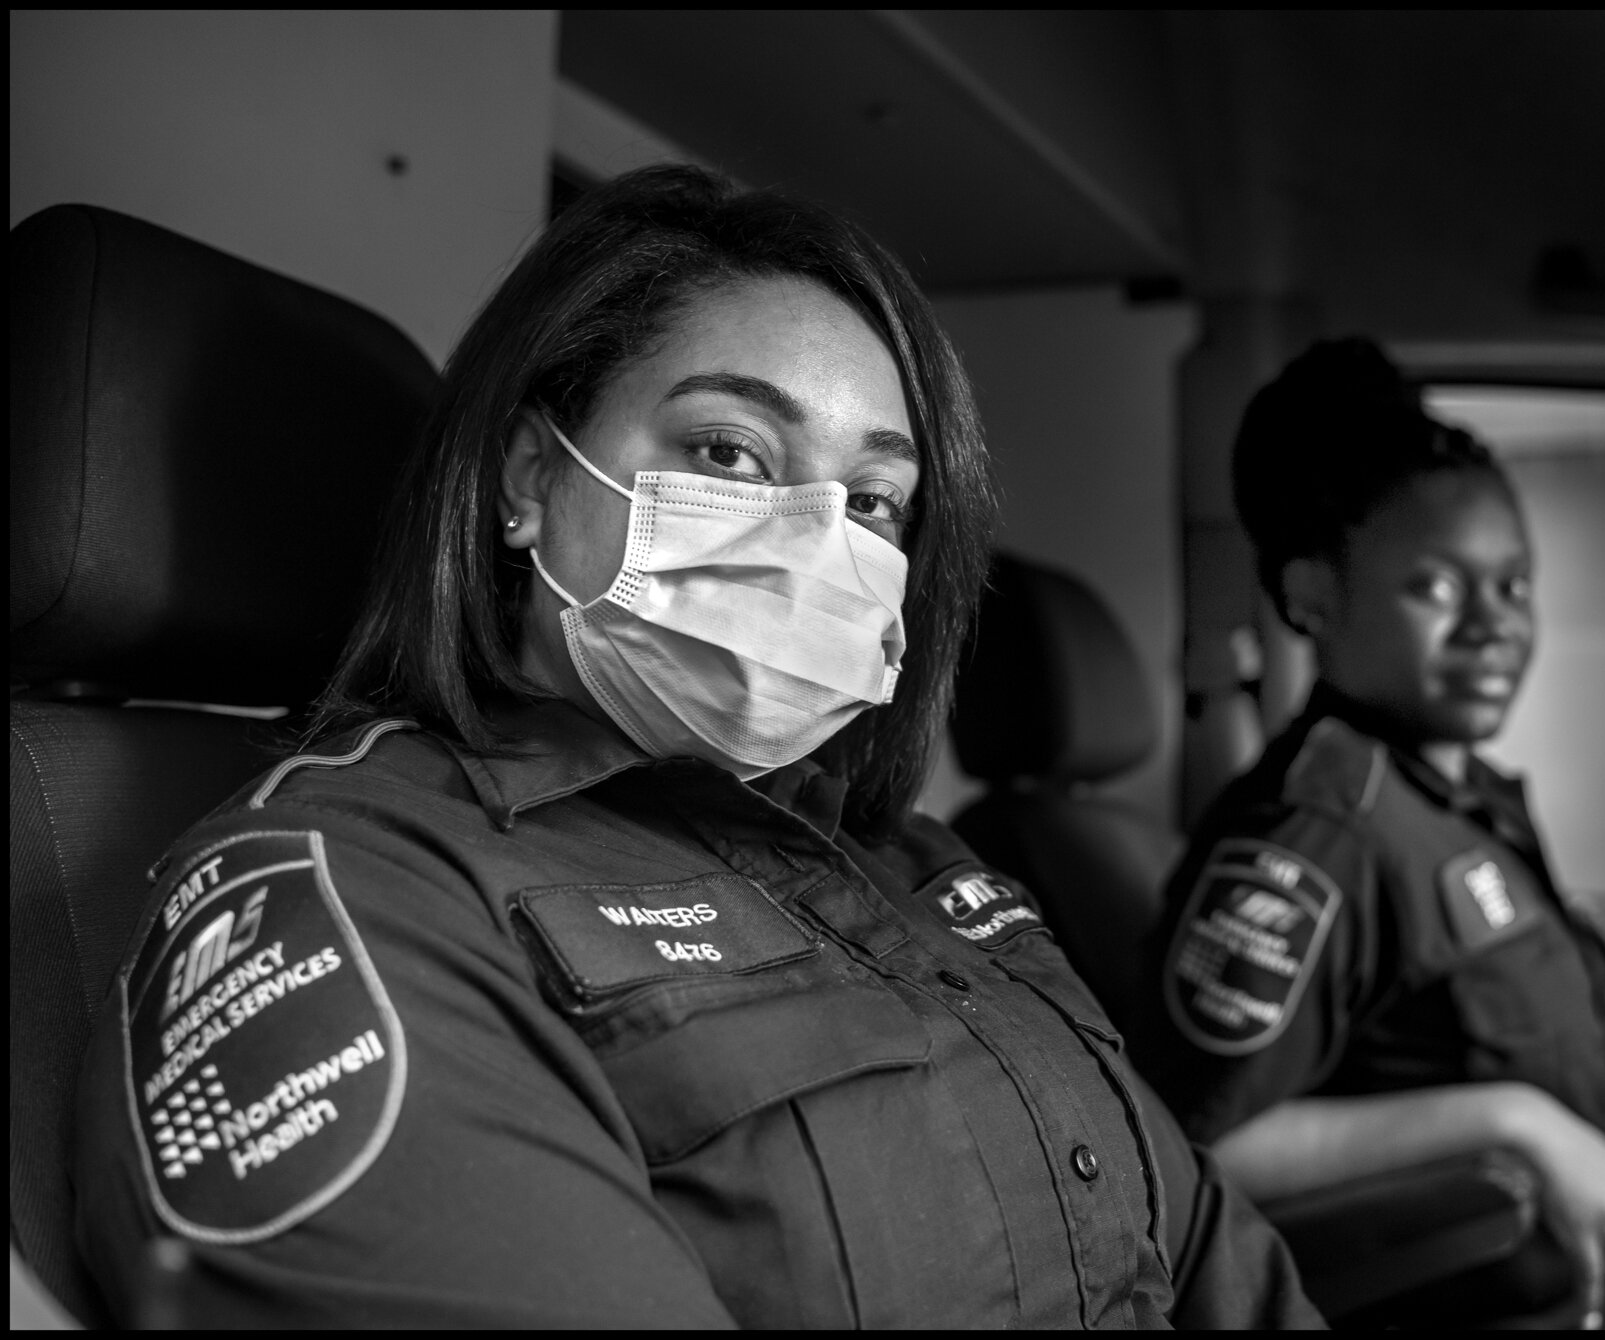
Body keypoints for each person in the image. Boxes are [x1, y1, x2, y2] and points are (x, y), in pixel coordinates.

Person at [71, 165, 1322, 1329]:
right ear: (526, 476)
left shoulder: (916, 861)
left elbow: (1216, 1253)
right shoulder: (348, 891)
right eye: (729, 451)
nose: (820, 542)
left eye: (874, 499)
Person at [1130, 339, 1605, 1330]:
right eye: (1437, 588)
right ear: (1311, 595)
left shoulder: (1465, 796)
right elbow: (1197, 1149)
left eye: (1513, 584)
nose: (1493, 627)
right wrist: (1517, 1124)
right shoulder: (1318, 834)